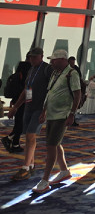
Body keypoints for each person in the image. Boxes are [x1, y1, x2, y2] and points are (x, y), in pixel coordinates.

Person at [33, 50, 81, 194]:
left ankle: (45, 179)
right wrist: (44, 111)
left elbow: (77, 94)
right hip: (52, 114)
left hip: (62, 115)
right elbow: (50, 93)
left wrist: (72, 114)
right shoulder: (55, 73)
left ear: (62, 59)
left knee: (51, 145)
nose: (51, 62)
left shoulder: (72, 74)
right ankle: (64, 170)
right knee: (55, 143)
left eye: (54, 60)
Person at [7, 46, 52, 182]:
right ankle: (31, 165)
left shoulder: (47, 69)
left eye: (34, 57)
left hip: (39, 108)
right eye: (30, 57)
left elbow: (52, 91)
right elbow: (27, 90)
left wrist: (45, 110)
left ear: (41, 56)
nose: (31, 59)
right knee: (28, 136)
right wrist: (16, 107)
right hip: (29, 107)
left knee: (31, 135)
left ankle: (25, 167)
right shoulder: (31, 70)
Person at [2, 56, 30, 153]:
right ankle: (10, 139)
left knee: (19, 122)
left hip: (16, 99)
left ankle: (15, 144)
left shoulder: (20, 69)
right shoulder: (29, 70)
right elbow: (27, 88)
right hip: (23, 101)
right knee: (21, 124)